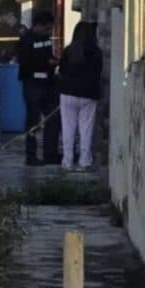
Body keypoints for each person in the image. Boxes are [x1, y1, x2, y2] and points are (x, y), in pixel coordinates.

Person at [18, 11, 61, 166]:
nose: (49, 32)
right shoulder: (25, 40)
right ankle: (31, 156)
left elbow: (48, 55)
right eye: (47, 28)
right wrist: (45, 63)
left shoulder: (46, 39)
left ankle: (51, 153)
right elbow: (25, 62)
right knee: (33, 121)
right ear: (38, 25)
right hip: (32, 83)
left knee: (54, 118)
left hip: (48, 83)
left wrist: (54, 61)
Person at [58, 22, 102, 171]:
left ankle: (67, 161)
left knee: (68, 128)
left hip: (68, 93)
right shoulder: (96, 52)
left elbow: (62, 70)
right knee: (86, 129)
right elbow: (98, 73)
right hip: (88, 95)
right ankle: (84, 162)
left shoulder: (68, 51)